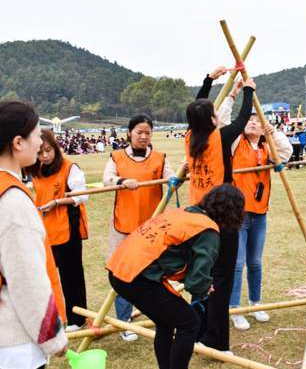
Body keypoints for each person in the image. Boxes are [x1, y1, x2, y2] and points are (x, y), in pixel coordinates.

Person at [108, 184, 244, 369]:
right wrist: (203, 287)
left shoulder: (185, 213)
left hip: (119, 269)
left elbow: (170, 256)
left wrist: (197, 282)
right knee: (190, 323)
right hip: (137, 278)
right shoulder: (208, 231)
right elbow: (198, 279)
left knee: (166, 323)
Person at [185, 66, 255, 352]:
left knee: (199, 274)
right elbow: (242, 119)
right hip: (222, 216)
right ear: (212, 118)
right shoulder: (220, 137)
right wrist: (248, 90)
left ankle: (198, 331)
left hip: (195, 216)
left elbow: (195, 110)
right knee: (222, 278)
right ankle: (216, 340)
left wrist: (208, 81)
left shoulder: (192, 137)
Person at [0, 101, 67, 368]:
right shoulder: (13, 201)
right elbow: (27, 281)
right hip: (14, 342)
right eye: (38, 134)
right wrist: (53, 337)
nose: (41, 141)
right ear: (18, 142)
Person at [103, 114, 174, 341]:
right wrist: (122, 181)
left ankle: (158, 314)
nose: (144, 136)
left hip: (152, 228)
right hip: (123, 225)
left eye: (147, 133)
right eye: (139, 132)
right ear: (129, 133)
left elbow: (171, 178)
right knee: (123, 274)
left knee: (153, 273)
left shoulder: (161, 158)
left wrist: (176, 178)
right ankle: (124, 321)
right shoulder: (116, 157)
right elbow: (107, 179)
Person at [229, 114, 292, 330]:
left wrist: (273, 132)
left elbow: (286, 153)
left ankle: (255, 304)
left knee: (255, 262)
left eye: (257, 120)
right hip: (238, 214)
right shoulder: (237, 143)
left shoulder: (267, 147)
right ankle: (234, 309)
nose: (253, 123)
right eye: (249, 120)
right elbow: (224, 122)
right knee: (237, 263)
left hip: (260, 212)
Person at [27, 129, 89, 332]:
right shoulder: (34, 169)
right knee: (47, 277)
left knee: (71, 276)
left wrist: (57, 202)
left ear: (55, 148)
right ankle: (56, 317)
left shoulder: (69, 167)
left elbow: (82, 196)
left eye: (48, 150)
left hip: (67, 229)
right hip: (45, 231)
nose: (45, 156)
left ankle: (77, 319)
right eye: (40, 152)